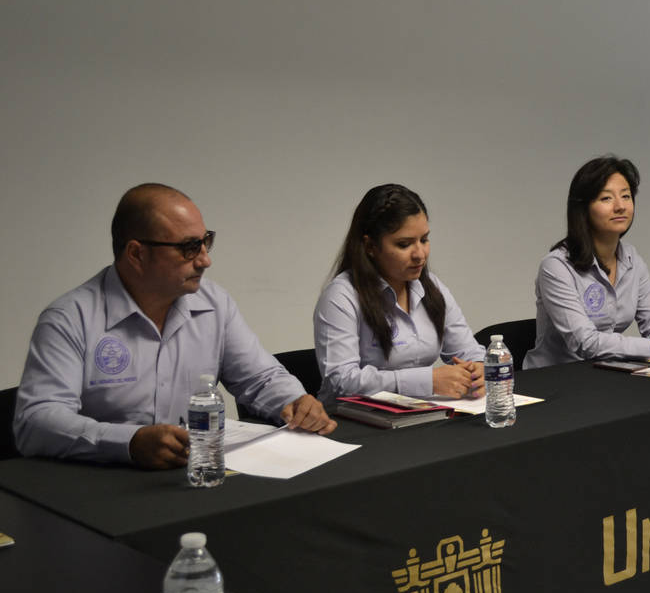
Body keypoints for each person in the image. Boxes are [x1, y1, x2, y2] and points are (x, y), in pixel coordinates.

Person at [14, 184, 335, 468]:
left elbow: (260, 377)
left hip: (196, 474)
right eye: (189, 247)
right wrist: (129, 442)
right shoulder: (71, 319)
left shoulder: (214, 304)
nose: (205, 260)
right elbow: (36, 421)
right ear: (137, 254)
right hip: (102, 486)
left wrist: (293, 401)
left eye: (206, 241)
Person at [524, 156, 650, 369]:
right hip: (555, 380)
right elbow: (586, 342)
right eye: (606, 199)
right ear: (583, 208)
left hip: (605, 374)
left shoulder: (632, 258)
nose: (620, 206)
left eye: (626, 196)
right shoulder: (557, 267)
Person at [314, 184, 485, 402]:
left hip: (418, 413)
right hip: (352, 422)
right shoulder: (341, 296)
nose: (420, 255)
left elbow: (468, 351)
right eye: (404, 244)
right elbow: (341, 381)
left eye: (424, 240)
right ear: (370, 246)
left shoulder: (431, 286)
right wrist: (427, 381)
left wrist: (478, 369)